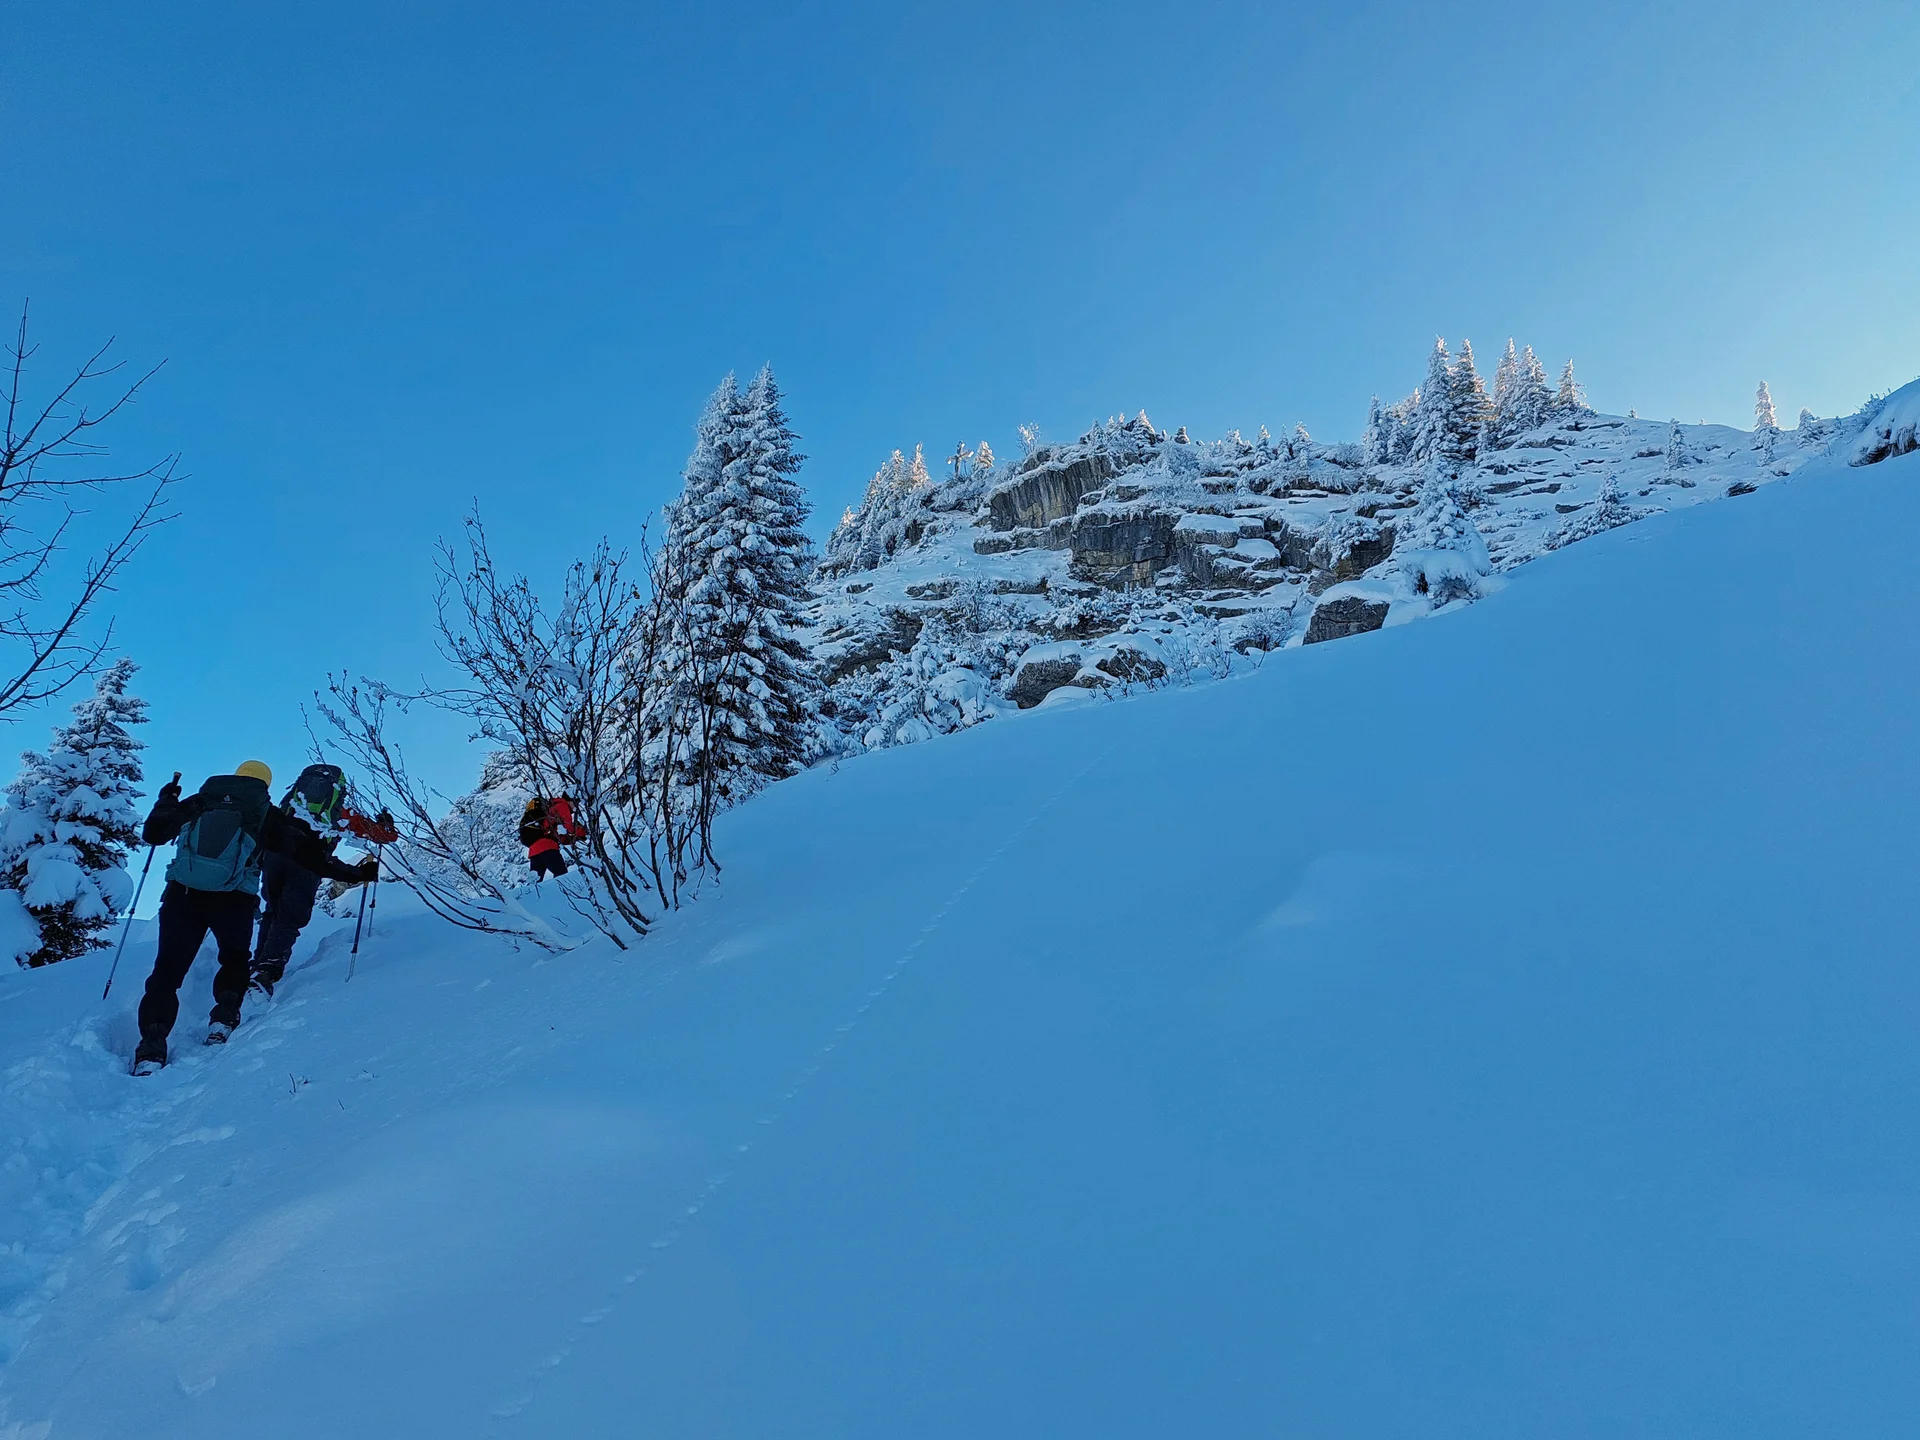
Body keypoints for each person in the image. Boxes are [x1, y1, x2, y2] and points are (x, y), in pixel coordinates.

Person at [131, 761, 378, 1075]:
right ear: (266, 784)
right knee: (234, 961)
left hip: (183, 896)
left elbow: (153, 835)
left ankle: (151, 1048)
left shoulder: (199, 801)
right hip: (234, 901)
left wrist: (165, 801)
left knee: (167, 971)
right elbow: (311, 857)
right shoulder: (264, 814)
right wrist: (357, 873)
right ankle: (222, 1021)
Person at [249, 762, 398, 996]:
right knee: (289, 917)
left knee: (273, 910)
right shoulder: (341, 815)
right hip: (309, 862)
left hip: (274, 858)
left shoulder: (292, 804)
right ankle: (266, 971)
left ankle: (257, 964)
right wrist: (385, 826)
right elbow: (385, 837)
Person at [519, 793, 583, 881]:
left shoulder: (552, 811)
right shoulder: (562, 805)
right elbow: (569, 828)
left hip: (534, 849)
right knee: (562, 876)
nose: (576, 806)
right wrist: (583, 831)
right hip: (547, 846)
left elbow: (557, 834)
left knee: (535, 882)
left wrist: (570, 840)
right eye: (575, 802)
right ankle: (560, 895)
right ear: (570, 800)